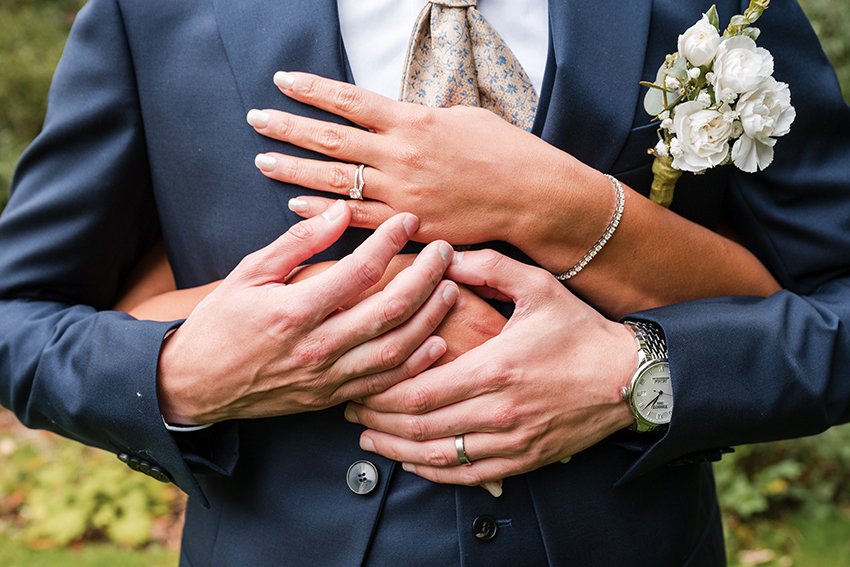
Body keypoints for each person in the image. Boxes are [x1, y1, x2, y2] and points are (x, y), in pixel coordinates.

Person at [1, 1, 849, 566]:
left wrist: (644, 376)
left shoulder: (718, 9)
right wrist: (180, 376)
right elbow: (19, 315)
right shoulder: (146, 13)